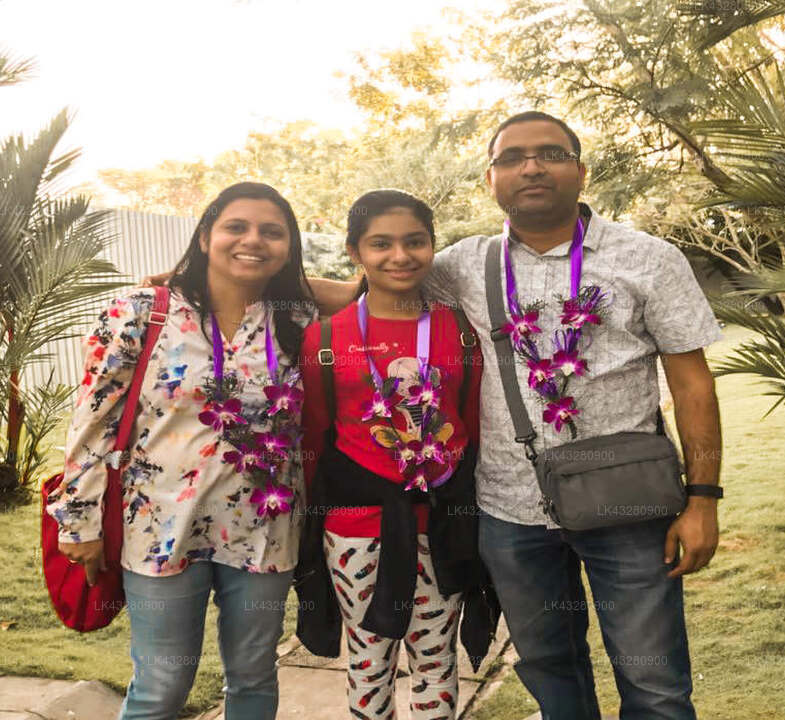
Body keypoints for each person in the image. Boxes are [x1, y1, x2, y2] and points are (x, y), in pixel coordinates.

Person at [303, 112, 724, 719]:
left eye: (550, 153)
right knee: (549, 667)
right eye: (512, 157)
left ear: (581, 170)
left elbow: (692, 384)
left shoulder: (649, 258)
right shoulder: (463, 264)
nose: (531, 167)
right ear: (491, 179)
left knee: (653, 679)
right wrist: (209, 282)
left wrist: (704, 498)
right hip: (509, 512)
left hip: (628, 506)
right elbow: (367, 287)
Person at [47, 181, 316, 720]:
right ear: (204, 236)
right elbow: (93, 421)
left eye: (272, 232)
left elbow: (370, 285)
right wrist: (78, 521)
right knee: (162, 686)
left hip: (266, 528)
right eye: (236, 227)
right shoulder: (142, 312)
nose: (253, 240)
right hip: (161, 524)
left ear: (289, 248)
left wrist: (291, 277)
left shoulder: (298, 320)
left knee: (254, 675)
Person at [294, 190, 495, 719]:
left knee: (436, 660)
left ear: (432, 245)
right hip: (356, 530)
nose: (400, 256)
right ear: (354, 252)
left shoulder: (462, 330)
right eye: (380, 244)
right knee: (368, 661)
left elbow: (472, 426)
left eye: (415, 241)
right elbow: (315, 440)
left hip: (445, 525)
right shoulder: (324, 339)